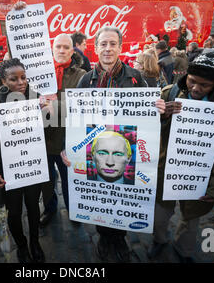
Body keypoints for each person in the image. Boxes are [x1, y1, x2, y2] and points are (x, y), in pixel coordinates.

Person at [62, 26, 166, 263]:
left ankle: (119, 239)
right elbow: (75, 119)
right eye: (103, 44)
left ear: (120, 47)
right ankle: (104, 238)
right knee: (100, 198)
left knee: (122, 195)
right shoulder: (85, 80)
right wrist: (70, 146)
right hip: (96, 149)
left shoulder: (136, 77)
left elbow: (149, 118)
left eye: (112, 44)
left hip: (123, 150)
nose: (108, 49)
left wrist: (158, 109)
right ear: (95, 47)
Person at [148, 52, 214, 263]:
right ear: (186, 76)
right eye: (192, 81)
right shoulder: (168, 94)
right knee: (159, 217)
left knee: (191, 221)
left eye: (205, 85)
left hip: (201, 176)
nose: (196, 88)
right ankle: (160, 240)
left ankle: (184, 251)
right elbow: (146, 133)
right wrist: (162, 115)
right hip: (166, 171)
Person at [0, 58, 46, 263]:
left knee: (34, 207)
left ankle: (35, 242)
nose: (21, 82)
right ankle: (22, 247)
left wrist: (46, 111)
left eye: (23, 77)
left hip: (33, 166)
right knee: (14, 211)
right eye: (14, 78)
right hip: (8, 171)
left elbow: (45, 132)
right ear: (2, 81)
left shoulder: (36, 100)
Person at [40, 33, 86, 227]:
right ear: (52, 48)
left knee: (70, 179)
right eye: (58, 46)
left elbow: (83, 108)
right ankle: (50, 209)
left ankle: (74, 210)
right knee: (47, 180)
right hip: (44, 138)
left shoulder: (81, 75)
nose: (61, 50)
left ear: (72, 50)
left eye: (66, 47)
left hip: (68, 139)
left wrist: (55, 106)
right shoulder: (40, 74)